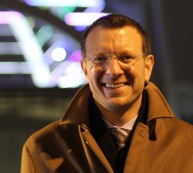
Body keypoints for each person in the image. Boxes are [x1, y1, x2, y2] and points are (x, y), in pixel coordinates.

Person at [21, 13, 193, 172]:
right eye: (100, 59)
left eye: (126, 57)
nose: (113, 70)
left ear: (147, 67)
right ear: (85, 69)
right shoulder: (43, 149)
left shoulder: (187, 145)